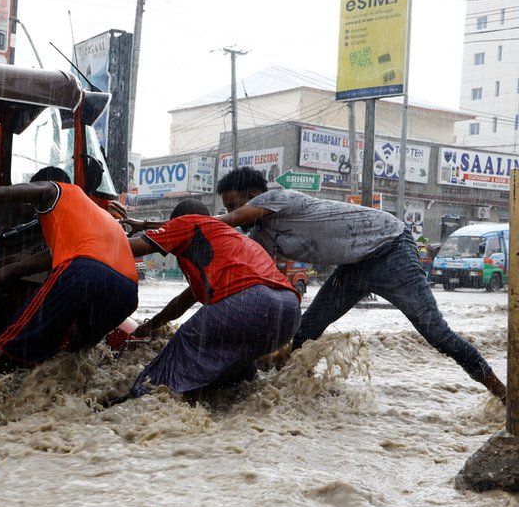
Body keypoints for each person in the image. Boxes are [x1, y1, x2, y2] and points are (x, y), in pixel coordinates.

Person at [215, 166, 507, 401]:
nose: (233, 216)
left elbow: (231, 220)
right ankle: (290, 397)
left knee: (437, 334)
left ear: (253, 196)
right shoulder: (261, 237)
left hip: (391, 248)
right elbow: (250, 270)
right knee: (304, 333)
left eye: (232, 206)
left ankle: (501, 392)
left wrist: (199, 223)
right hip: (353, 266)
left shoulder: (281, 198)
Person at [0, 165, 139, 376]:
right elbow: (13, 271)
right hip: (128, 293)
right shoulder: (89, 224)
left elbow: (1, 193)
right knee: (77, 352)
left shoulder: (56, 190)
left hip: (84, 271)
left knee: (6, 340)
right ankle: (68, 401)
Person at [126, 198, 301, 398]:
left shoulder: (188, 222)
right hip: (289, 312)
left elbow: (130, 247)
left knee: (188, 342)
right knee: (234, 363)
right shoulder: (228, 240)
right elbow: (182, 302)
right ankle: (234, 392)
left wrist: (99, 234)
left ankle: (141, 398)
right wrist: (150, 326)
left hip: (250, 301)